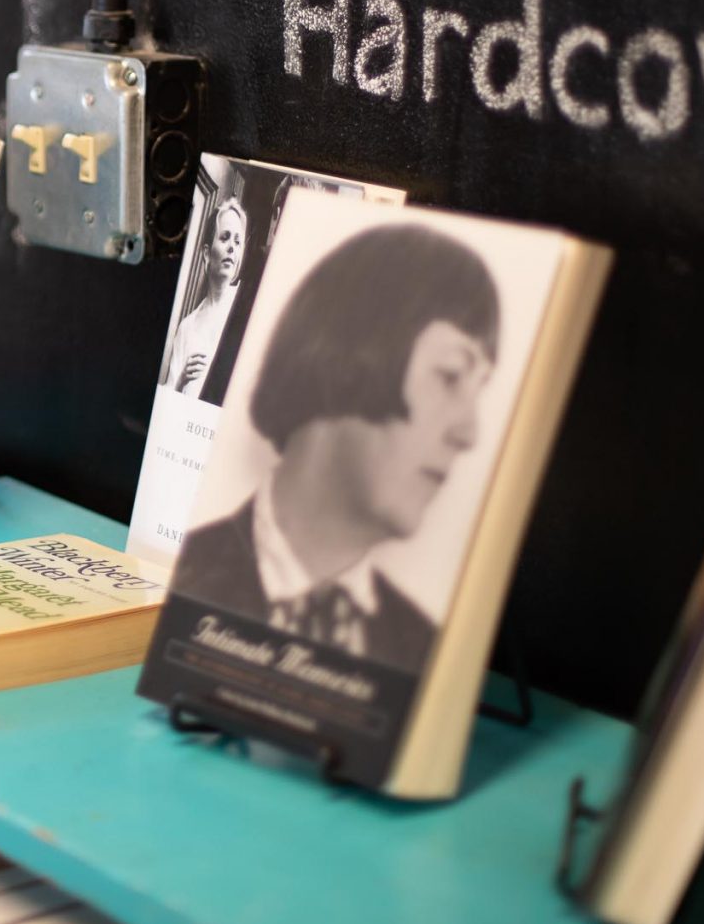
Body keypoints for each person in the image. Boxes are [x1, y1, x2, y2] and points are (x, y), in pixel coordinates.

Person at [170, 224, 500, 674]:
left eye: (478, 390)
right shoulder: (186, 580)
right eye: (449, 376)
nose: (470, 433)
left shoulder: (423, 651)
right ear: (348, 357)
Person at [160, 196, 249, 399]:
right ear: (207, 254)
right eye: (225, 237)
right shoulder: (187, 327)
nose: (232, 247)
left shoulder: (246, 307)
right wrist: (182, 378)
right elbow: (168, 398)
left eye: (238, 241)